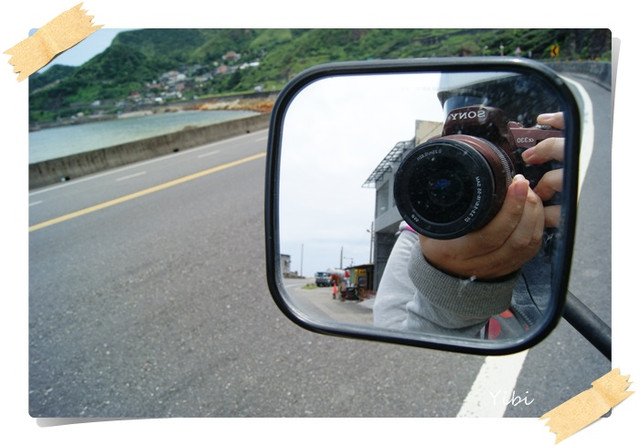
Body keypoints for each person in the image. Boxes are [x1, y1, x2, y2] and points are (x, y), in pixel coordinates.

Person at [373, 112, 565, 339]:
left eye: (501, 146)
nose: (473, 162)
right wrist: (453, 286)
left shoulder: (562, 194)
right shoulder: (426, 230)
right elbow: (394, 337)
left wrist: (589, 193)